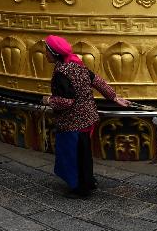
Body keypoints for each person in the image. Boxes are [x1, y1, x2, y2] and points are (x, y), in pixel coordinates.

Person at [42, 34, 130, 198]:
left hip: (73, 122)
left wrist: (48, 100)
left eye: (46, 50)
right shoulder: (78, 65)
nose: (45, 53)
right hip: (87, 118)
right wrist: (113, 97)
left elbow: (66, 101)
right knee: (84, 154)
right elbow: (98, 81)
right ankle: (88, 181)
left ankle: (80, 188)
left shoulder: (62, 72)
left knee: (73, 156)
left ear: (53, 53)